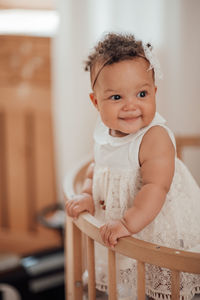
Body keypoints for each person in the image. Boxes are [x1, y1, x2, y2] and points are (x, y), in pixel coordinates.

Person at [66, 32, 200, 299]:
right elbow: (97, 167)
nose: (131, 106)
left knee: (159, 279)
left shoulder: (154, 138)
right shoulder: (104, 133)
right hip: (128, 230)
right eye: (116, 97)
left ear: (154, 92)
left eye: (141, 93)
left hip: (156, 226)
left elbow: (156, 187)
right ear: (96, 102)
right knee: (130, 279)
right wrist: (87, 192)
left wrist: (127, 224)